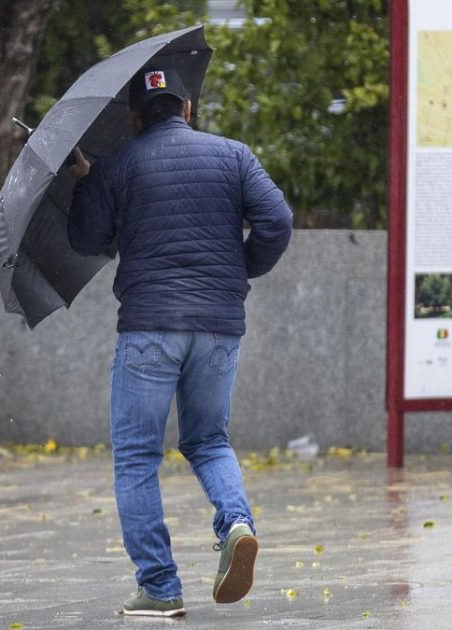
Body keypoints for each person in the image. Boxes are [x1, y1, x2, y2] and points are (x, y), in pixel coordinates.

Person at [66, 67, 293, 617]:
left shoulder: (119, 164)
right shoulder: (234, 155)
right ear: (187, 108)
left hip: (149, 328)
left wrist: (87, 181)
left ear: (135, 117)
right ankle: (236, 523)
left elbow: (85, 240)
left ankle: (160, 587)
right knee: (209, 441)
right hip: (218, 326)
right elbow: (278, 220)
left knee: (138, 457)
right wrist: (241, 269)